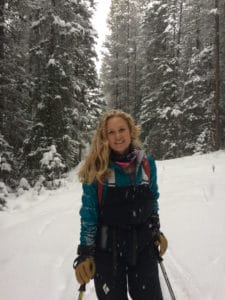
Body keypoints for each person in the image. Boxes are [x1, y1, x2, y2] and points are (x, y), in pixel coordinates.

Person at [73, 109, 168, 300]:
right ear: (104, 137)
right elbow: (89, 215)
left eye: (122, 130)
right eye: (111, 132)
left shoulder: (147, 164)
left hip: (143, 246)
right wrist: (85, 253)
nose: (118, 136)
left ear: (131, 131)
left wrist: (155, 229)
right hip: (108, 251)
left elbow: (153, 200)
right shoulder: (98, 168)